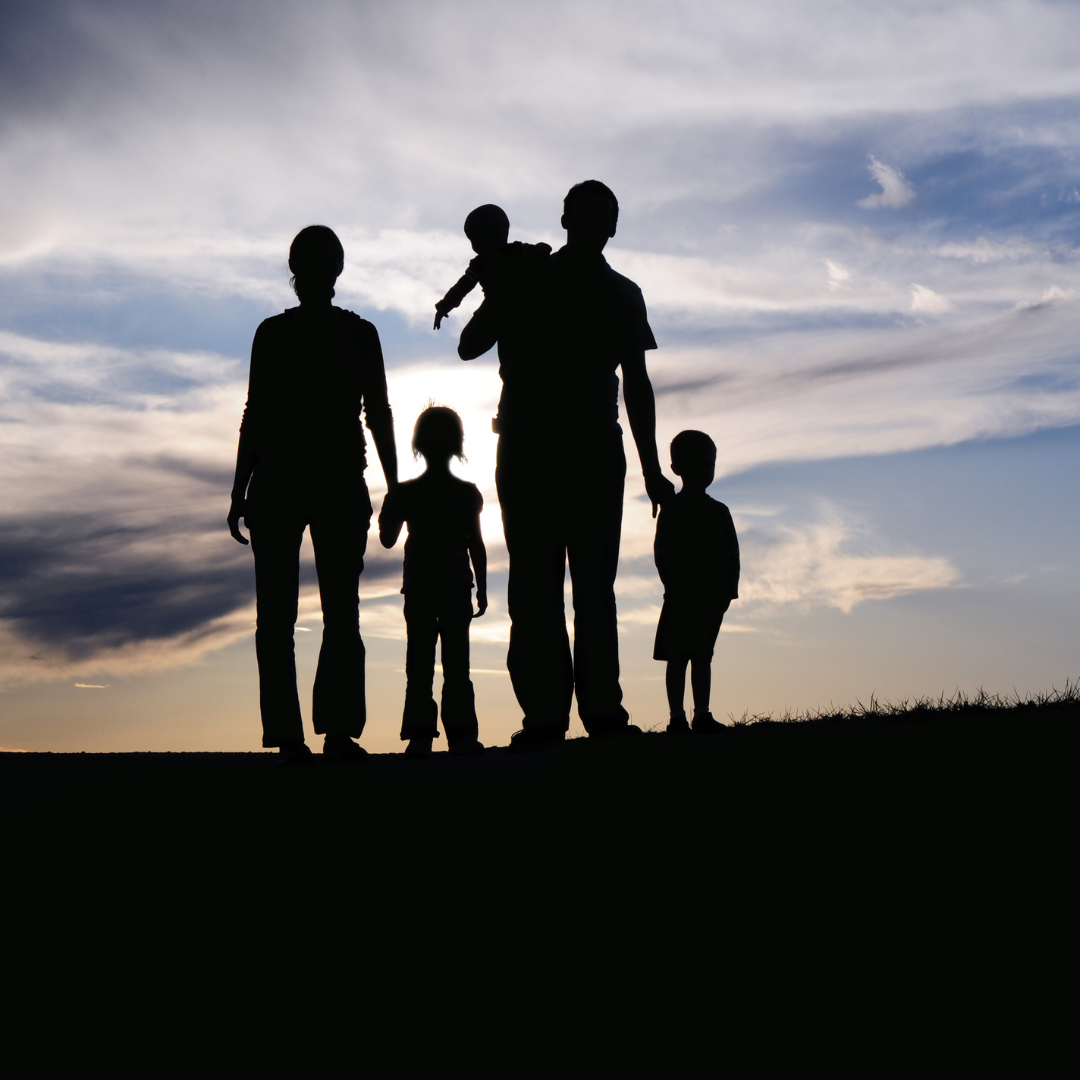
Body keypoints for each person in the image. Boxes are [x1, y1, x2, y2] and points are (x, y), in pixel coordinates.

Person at [458, 180, 675, 750]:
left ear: (566, 220)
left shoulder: (590, 288)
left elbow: (638, 386)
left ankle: (562, 716)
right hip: (561, 448)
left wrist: (651, 468)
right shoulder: (596, 289)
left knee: (552, 585)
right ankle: (579, 714)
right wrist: (499, 281)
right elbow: (638, 388)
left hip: (558, 448)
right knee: (570, 586)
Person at [227, 225, 399, 764]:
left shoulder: (287, 334)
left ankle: (304, 735)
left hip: (304, 480)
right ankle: (326, 733)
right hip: (307, 481)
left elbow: (257, 416)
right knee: (327, 614)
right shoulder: (342, 334)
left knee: (293, 616)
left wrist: (239, 490)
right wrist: (393, 485)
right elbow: (378, 414)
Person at [379, 407, 487, 758]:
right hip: (456, 584)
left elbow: (387, 539)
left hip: (422, 586)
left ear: (418, 445)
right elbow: (476, 544)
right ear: (458, 445)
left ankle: (421, 735)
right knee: (458, 664)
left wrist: (389, 505)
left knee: (419, 663)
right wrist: (482, 587)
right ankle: (462, 735)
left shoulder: (407, 493)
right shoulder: (467, 492)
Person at [653, 431, 740, 736]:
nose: (705, 469)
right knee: (677, 657)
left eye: (709, 463)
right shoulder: (671, 511)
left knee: (702, 656)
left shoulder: (719, 512)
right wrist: (672, 584)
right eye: (698, 463)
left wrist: (728, 591)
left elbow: (731, 555)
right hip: (678, 597)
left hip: (709, 599)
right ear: (677, 468)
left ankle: (701, 714)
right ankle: (677, 717)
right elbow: (662, 552)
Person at [433, 204, 551, 330]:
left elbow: (462, 287)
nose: (474, 245)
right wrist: (444, 307)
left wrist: (541, 248)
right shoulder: (482, 263)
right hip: (494, 305)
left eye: (476, 238)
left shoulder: (514, 250)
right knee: (467, 347)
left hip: (516, 302)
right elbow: (462, 287)